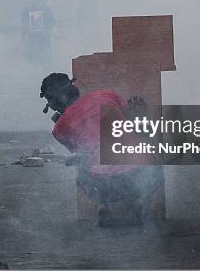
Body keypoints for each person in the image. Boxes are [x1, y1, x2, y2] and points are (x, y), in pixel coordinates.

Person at [39, 72, 163, 226]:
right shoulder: (106, 95)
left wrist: (64, 122)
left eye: (49, 101)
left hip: (107, 185)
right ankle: (136, 202)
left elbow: (81, 151)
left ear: (54, 100)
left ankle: (106, 207)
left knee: (83, 164)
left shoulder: (59, 129)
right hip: (141, 175)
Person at [21, 0, 54, 69]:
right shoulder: (45, 8)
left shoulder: (28, 8)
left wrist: (23, 37)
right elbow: (52, 22)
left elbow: (23, 24)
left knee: (36, 61)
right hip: (40, 39)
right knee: (41, 60)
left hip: (36, 39)